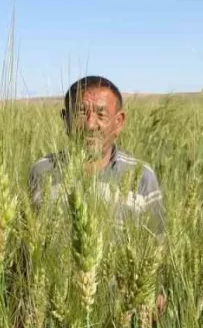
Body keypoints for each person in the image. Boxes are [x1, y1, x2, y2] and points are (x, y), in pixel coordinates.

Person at [29, 75, 166, 235]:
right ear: (65, 119)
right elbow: (27, 243)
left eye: (101, 115)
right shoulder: (42, 171)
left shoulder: (142, 176)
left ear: (119, 122)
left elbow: (157, 246)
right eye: (80, 113)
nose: (90, 125)